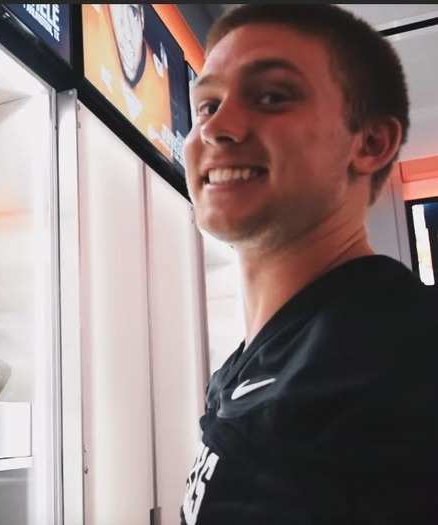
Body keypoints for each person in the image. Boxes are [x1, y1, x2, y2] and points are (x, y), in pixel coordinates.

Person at [181, 4, 438, 524]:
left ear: (369, 143)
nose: (217, 127)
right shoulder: (242, 369)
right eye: (207, 105)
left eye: (272, 96)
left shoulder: (409, 358)